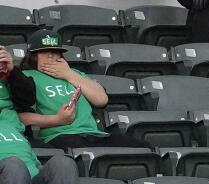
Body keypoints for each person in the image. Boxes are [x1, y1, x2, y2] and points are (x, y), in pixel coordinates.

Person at [16, 33, 149, 149]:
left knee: (144, 148)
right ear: (33, 55)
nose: (51, 56)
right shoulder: (26, 76)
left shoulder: (75, 74)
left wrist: (68, 74)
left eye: (55, 51)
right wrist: (56, 120)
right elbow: (19, 117)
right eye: (44, 52)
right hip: (60, 136)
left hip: (94, 134)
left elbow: (101, 100)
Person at [0, 46, 79, 184]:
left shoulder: (9, 115)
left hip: (32, 182)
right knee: (14, 165)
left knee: (62, 163)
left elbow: (27, 98)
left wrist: (11, 70)